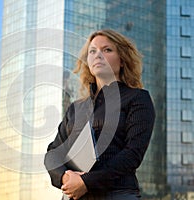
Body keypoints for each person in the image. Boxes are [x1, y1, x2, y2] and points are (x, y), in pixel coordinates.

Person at [44, 29, 155, 200]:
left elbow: (132, 154)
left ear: (122, 60)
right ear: (87, 61)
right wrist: (65, 177)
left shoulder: (138, 98)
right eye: (92, 51)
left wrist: (86, 182)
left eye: (107, 50)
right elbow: (53, 153)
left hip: (118, 194)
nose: (98, 55)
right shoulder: (76, 108)